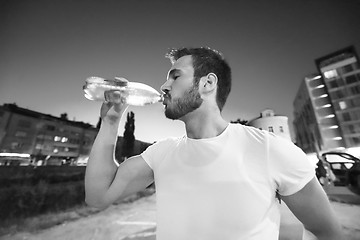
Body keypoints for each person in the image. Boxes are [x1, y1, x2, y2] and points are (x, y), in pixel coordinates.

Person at [84, 47, 344, 240]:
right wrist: (110, 123)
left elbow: (327, 232)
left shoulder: (269, 149)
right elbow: (98, 196)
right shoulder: (162, 153)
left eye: (175, 76)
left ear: (207, 83)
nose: (164, 85)